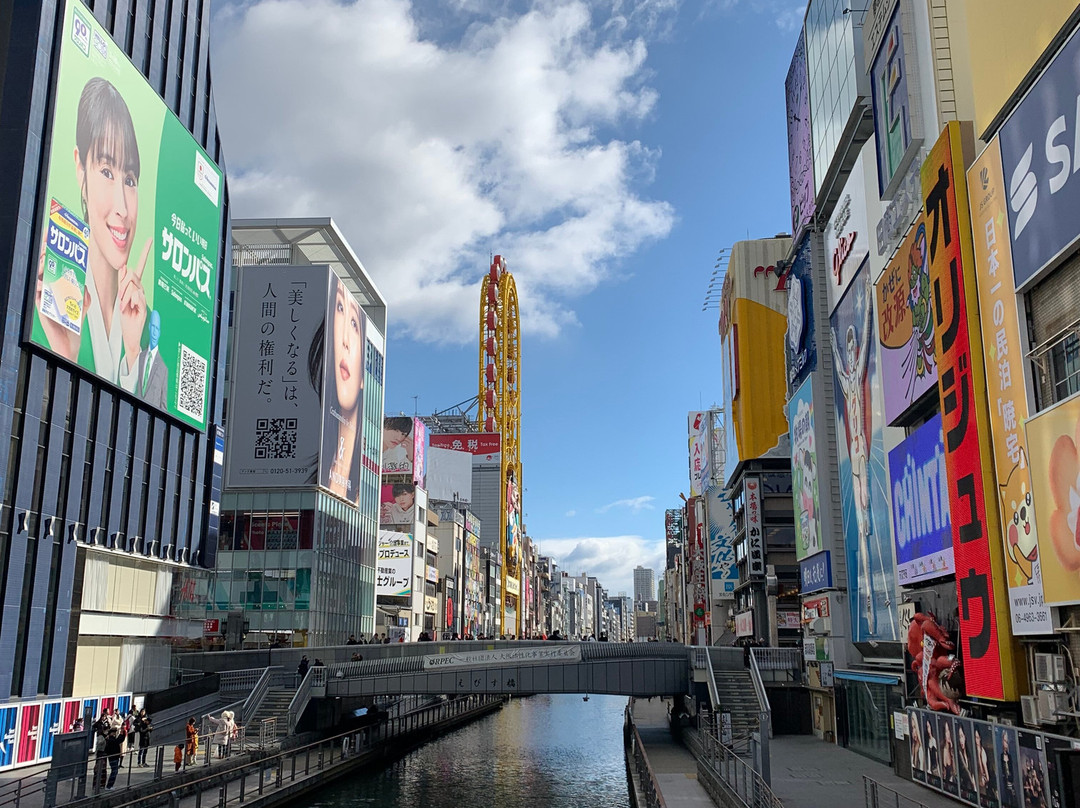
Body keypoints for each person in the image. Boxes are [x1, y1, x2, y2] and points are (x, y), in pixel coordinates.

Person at [34, 76, 152, 396]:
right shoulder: (53, 287)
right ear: (80, 167)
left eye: (130, 178)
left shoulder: (144, 318)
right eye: (106, 171)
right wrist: (66, 356)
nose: (123, 208)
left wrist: (132, 352)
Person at [832, 271, 877, 634]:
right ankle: (867, 590)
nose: (850, 352)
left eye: (851, 347)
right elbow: (839, 357)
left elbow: (862, 349)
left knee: (865, 519)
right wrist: (833, 341)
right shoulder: (847, 379)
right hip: (856, 452)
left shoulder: (853, 375)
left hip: (859, 451)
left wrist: (869, 307)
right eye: (847, 349)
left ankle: (869, 591)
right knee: (862, 522)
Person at [320, 275, 364, 503]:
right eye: (339, 308)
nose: (345, 339)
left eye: (354, 323)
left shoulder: (363, 492)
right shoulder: (317, 467)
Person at [136, 309, 169, 409]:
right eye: (153, 327)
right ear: (149, 327)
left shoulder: (163, 369)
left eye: (157, 329)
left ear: (159, 332)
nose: (154, 333)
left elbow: (163, 406)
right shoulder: (140, 357)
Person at [104, 718, 126, 789]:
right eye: (114, 732)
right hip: (113, 757)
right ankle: (109, 786)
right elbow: (118, 741)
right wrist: (122, 734)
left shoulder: (110, 740)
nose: (114, 733)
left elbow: (119, 740)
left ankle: (110, 785)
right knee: (114, 771)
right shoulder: (111, 740)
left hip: (114, 757)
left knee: (114, 771)